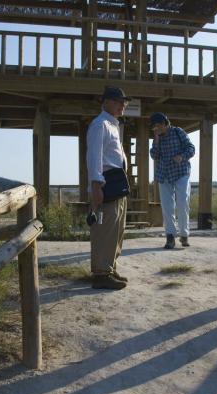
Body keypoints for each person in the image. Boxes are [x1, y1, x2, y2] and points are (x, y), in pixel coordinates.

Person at [86, 86, 131, 290]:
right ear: (106, 102)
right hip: (105, 184)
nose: (123, 105)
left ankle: (109, 268)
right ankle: (101, 273)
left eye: (124, 102)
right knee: (104, 230)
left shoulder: (113, 125)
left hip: (117, 185)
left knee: (116, 230)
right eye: (119, 101)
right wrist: (96, 186)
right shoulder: (100, 124)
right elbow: (94, 157)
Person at [149, 112, 196, 249]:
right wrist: (156, 141)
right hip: (164, 174)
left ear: (165, 123)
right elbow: (154, 155)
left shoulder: (178, 132)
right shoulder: (156, 138)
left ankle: (184, 235)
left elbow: (191, 148)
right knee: (167, 207)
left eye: (159, 125)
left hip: (181, 172)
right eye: (155, 127)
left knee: (182, 202)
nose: (157, 128)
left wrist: (182, 156)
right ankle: (170, 237)